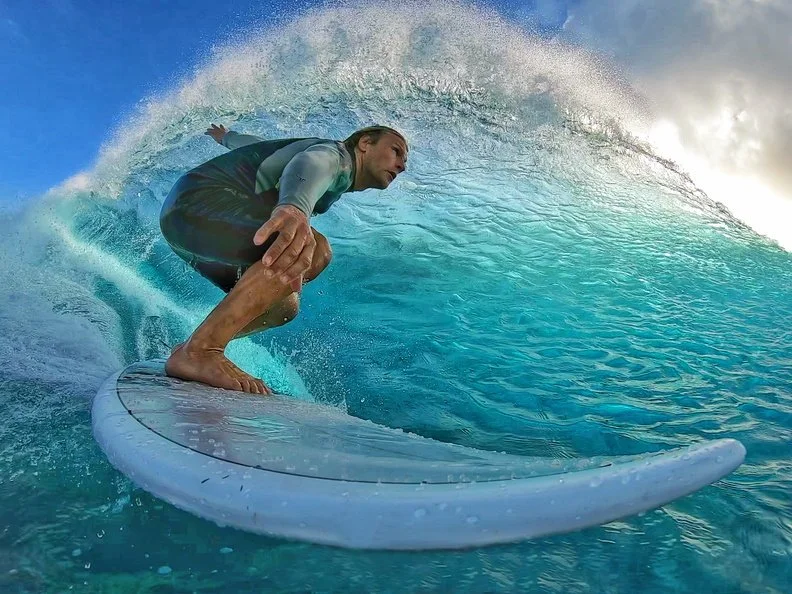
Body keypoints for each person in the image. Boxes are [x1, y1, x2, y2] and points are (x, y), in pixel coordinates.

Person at [159, 123, 409, 394]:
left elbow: (254, 145)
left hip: (188, 227)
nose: (401, 165)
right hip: (200, 204)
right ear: (365, 143)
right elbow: (311, 163)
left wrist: (226, 137)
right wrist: (295, 206)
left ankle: (195, 345)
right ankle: (201, 351)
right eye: (395, 151)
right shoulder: (338, 156)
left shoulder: (319, 156)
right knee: (314, 249)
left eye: (404, 160)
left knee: (284, 306)